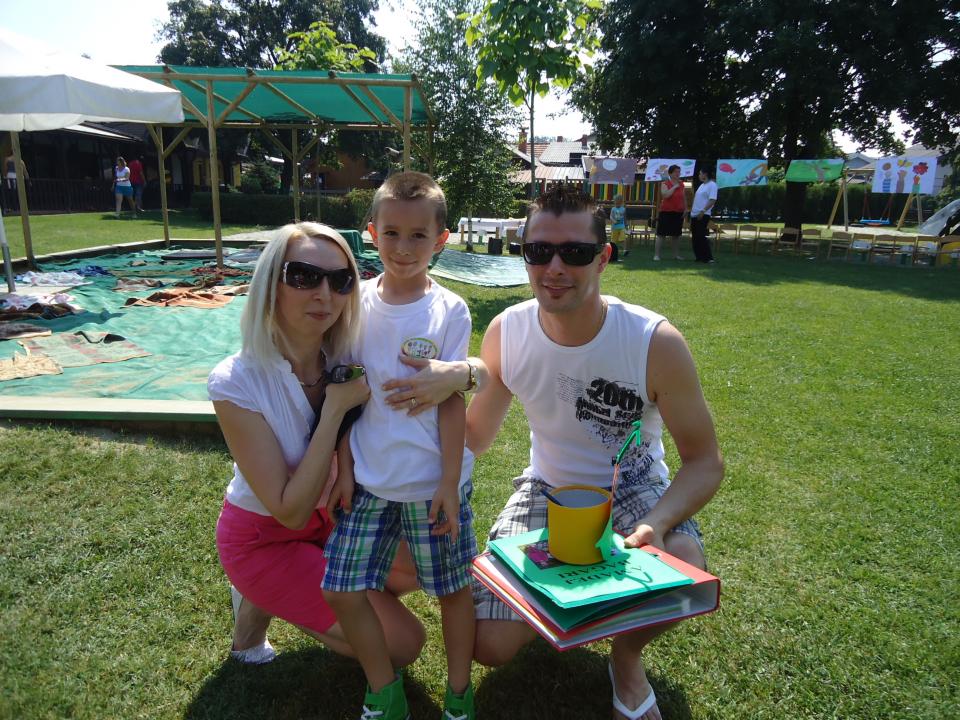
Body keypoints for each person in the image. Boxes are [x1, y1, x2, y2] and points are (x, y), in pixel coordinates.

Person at [385, 184, 724, 720]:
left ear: (603, 258)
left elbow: (705, 462)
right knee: (489, 644)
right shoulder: (509, 330)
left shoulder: (653, 341)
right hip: (546, 489)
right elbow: (474, 438)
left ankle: (626, 657)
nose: (555, 268)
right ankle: (575, 610)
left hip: (632, 488)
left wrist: (656, 523)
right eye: (539, 251)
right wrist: (450, 387)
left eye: (576, 252)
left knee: (683, 565)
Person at [208, 222, 425, 669]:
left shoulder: (347, 357)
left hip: (330, 521)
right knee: (404, 643)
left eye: (341, 280)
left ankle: (282, 592)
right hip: (265, 537)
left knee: (422, 562)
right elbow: (289, 511)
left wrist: (466, 372)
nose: (325, 294)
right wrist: (333, 410)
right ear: (272, 283)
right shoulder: (235, 381)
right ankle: (262, 590)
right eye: (304, 276)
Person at [321, 172, 478, 720]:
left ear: (441, 240)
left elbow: (453, 401)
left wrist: (449, 482)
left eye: (418, 235)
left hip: (432, 486)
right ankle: (384, 691)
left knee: (453, 590)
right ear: (371, 233)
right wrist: (344, 469)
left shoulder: (450, 311)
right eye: (391, 233)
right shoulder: (354, 304)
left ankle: (459, 694)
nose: (404, 247)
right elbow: (345, 394)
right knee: (341, 588)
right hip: (368, 482)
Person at [654, 165, 686, 261]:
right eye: (676, 172)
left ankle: (676, 255)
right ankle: (656, 255)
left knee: (676, 235)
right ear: (670, 173)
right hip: (666, 212)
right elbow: (665, 195)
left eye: (679, 172)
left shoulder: (682, 184)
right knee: (661, 234)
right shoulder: (665, 183)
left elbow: (683, 197)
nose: (678, 174)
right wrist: (674, 187)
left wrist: (685, 209)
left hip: (678, 212)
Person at [690, 167, 718, 263]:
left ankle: (708, 257)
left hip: (703, 214)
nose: (699, 175)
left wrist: (703, 211)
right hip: (695, 214)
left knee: (700, 235)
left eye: (700, 173)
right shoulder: (702, 185)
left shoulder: (712, 185)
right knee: (695, 237)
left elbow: (712, 200)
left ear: (705, 174)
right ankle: (699, 257)